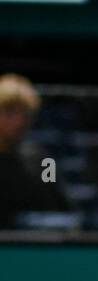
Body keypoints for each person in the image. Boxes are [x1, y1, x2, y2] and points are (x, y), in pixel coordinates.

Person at [0, 73, 70, 228]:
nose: (19, 121)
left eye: (25, 113)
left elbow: (60, 209)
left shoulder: (45, 161)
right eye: (9, 112)